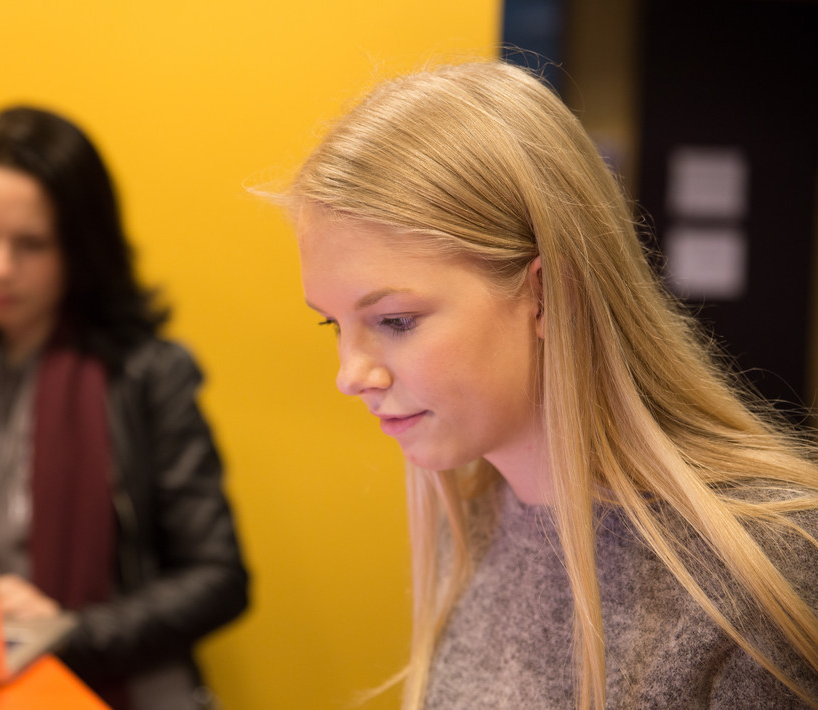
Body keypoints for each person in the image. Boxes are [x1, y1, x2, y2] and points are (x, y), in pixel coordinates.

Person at [284, 61, 818, 709]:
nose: (349, 375)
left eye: (394, 321)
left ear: (546, 291)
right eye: (332, 324)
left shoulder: (762, 576)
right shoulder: (474, 522)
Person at [0, 106, 248, 709]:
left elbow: (218, 579)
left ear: (81, 247)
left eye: (31, 244)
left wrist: (70, 631)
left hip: (111, 685)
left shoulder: (146, 373)